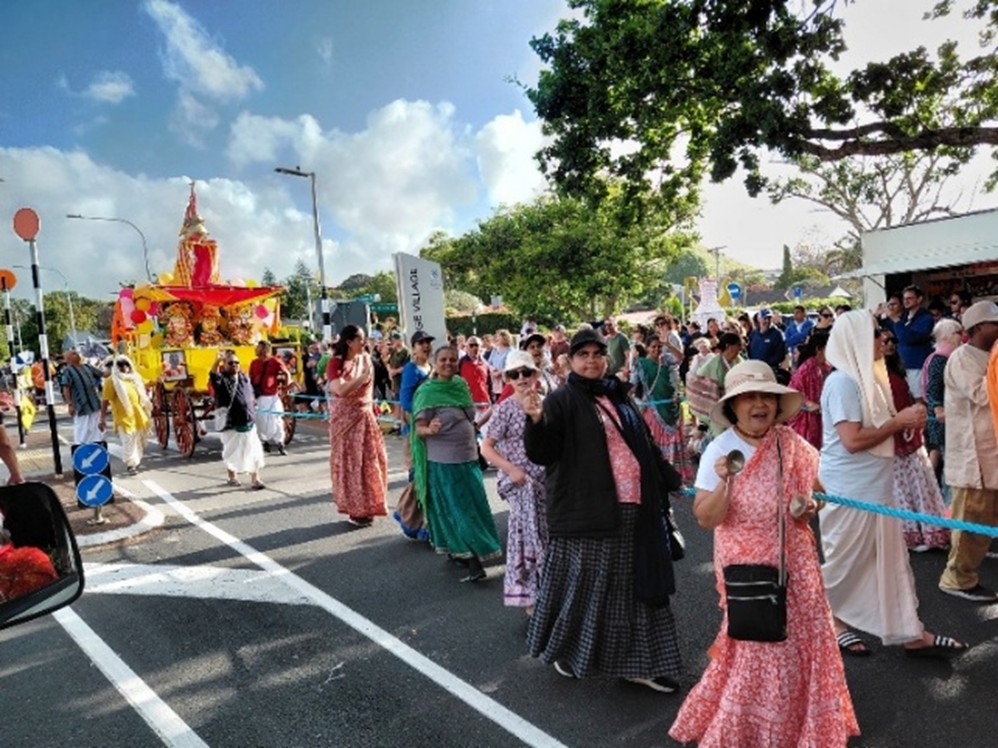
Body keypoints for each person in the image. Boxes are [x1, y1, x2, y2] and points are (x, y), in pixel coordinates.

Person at [670, 361, 857, 746]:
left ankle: (807, 727)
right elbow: (706, 518)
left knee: (805, 642)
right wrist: (725, 482)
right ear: (734, 406)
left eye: (765, 397)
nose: (759, 405)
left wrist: (808, 507)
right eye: (749, 397)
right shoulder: (721, 450)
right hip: (748, 567)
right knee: (759, 647)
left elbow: (817, 494)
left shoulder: (790, 443)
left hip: (797, 563)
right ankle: (751, 730)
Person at [523, 329, 683, 693]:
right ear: (570, 361)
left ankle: (640, 663)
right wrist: (534, 421)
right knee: (588, 590)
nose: (592, 360)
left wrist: (669, 481)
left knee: (638, 586)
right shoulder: (561, 400)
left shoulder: (619, 396)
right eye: (584, 355)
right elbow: (543, 453)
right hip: (589, 513)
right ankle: (567, 651)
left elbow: (643, 444)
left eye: (598, 353)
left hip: (636, 509)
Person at [819, 310, 967, 656]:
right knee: (845, 565)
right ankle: (829, 622)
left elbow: (878, 428)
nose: (883, 338)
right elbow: (852, 440)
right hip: (852, 490)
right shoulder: (842, 381)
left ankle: (909, 631)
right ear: (855, 339)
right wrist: (898, 421)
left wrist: (904, 423)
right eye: (874, 334)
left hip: (876, 486)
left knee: (892, 561)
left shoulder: (869, 377)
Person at [412, 346, 502, 582]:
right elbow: (418, 429)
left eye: (453, 359)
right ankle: (473, 559)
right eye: (443, 360)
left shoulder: (460, 385)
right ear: (435, 362)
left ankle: (458, 550)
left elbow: (469, 418)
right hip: (443, 462)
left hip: (469, 457)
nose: (448, 363)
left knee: (473, 506)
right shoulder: (428, 391)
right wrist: (428, 429)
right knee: (457, 509)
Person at [480, 350, 548, 614]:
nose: (521, 378)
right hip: (519, 484)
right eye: (514, 374)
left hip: (546, 481)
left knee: (547, 534)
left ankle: (548, 590)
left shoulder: (546, 402)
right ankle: (528, 597)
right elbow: (486, 448)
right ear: (507, 378)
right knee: (525, 535)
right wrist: (512, 470)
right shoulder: (505, 409)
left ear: (534, 375)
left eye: (526, 372)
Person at [941, 301, 998, 601]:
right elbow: (982, 393)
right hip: (973, 459)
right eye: (995, 324)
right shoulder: (962, 358)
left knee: (985, 524)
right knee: (971, 525)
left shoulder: (990, 355)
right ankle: (957, 579)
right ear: (977, 329)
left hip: (992, 455)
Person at [883, 333, 950, 552]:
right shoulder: (875, 377)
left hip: (910, 436)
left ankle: (925, 532)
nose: (890, 344)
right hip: (893, 437)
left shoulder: (896, 371)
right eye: (885, 341)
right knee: (903, 488)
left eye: (893, 340)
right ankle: (911, 534)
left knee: (918, 484)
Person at [326, 325, 389, 528]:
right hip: (346, 420)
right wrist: (361, 378)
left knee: (371, 461)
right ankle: (355, 509)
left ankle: (370, 505)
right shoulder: (335, 363)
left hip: (366, 416)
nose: (364, 342)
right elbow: (340, 390)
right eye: (360, 339)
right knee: (352, 465)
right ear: (349, 342)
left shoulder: (366, 359)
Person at [632, 335, 692, 485]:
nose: (656, 350)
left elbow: (680, 357)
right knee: (656, 442)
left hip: (672, 406)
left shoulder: (667, 359)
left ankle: (675, 475)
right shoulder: (641, 364)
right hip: (654, 409)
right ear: (646, 348)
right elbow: (633, 384)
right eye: (653, 347)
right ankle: (658, 474)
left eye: (659, 346)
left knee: (674, 441)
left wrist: (668, 345)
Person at [210, 352, 265, 489]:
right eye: (230, 363)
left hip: (248, 422)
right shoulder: (221, 380)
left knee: (254, 451)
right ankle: (232, 478)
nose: (234, 365)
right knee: (231, 452)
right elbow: (213, 374)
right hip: (231, 424)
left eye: (236, 363)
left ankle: (256, 479)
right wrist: (217, 361)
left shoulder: (244, 378)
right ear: (225, 365)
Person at [921, 318, 963, 482]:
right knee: (946, 457)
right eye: (957, 333)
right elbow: (934, 389)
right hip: (942, 417)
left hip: (946, 414)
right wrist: (938, 408)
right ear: (945, 337)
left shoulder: (948, 357)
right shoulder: (940, 359)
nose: (961, 336)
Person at [98, 355, 152, 475]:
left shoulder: (134, 378)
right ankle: (130, 464)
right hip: (123, 416)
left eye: (126, 364)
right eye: (120, 365)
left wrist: (161, 379)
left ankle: (135, 461)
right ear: (116, 367)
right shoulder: (111, 381)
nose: (124, 367)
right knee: (128, 439)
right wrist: (101, 418)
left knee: (136, 438)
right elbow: (105, 400)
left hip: (138, 413)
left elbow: (148, 384)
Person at [688, 332, 742, 435]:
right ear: (728, 347)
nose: (740, 349)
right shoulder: (713, 363)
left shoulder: (739, 360)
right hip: (717, 407)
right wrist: (714, 390)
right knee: (720, 433)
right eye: (738, 345)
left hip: (736, 404)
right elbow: (696, 380)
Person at [786, 329, 831, 449]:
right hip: (805, 426)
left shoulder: (827, 368)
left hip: (820, 423)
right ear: (819, 349)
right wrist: (811, 406)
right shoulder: (806, 370)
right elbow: (792, 396)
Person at [892, 285, 935, 400]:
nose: (906, 301)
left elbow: (911, 338)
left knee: (919, 398)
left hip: (917, 365)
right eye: (904, 298)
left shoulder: (926, 318)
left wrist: (896, 321)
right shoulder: (905, 317)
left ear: (919, 299)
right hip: (903, 365)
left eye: (909, 298)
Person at [248, 341, 289, 455]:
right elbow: (250, 379)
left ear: (265, 349)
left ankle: (280, 443)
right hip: (260, 396)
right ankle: (264, 440)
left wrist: (286, 386)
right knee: (261, 420)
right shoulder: (254, 363)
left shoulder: (274, 361)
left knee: (277, 418)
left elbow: (286, 373)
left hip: (273, 395)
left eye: (259, 348)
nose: (257, 349)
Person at [59, 351, 104, 447]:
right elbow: (65, 388)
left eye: (76, 353)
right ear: (68, 359)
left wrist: (116, 365)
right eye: (73, 353)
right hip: (80, 405)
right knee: (82, 430)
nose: (77, 354)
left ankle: (96, 449)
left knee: (96, 429)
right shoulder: (68, 371)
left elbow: (103, 374)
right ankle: (81, 450)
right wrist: (70, 404)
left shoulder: (87, 367)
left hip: (94, 404)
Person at [746, 308, 787, 379]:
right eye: (765, 318)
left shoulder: (777, 334)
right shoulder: (753, 334)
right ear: (759, 319)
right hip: (754, 369)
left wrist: (765, 364)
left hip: (770, 369)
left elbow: (780, 355)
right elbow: (749, 350)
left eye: (769, 318)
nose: (767, 321)